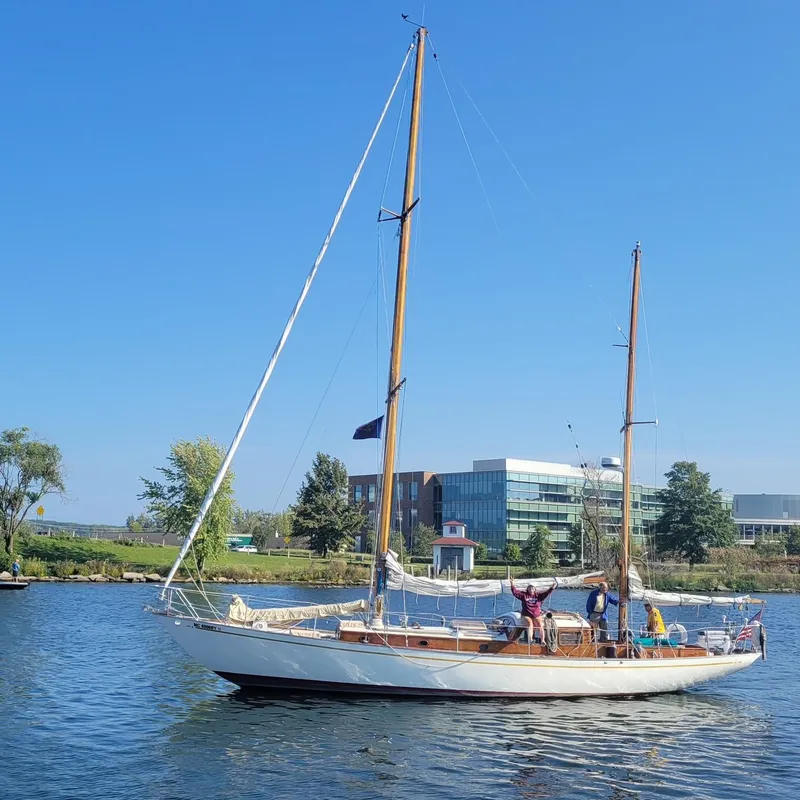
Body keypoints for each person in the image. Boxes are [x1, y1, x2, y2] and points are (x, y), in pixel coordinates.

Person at [510, 578, 556, 645]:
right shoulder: (524, 595)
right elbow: (515, 592)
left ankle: (543, 640)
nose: (531, 590)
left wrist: (552, 588)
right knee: (530, 623)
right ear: (527, 589)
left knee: (540, 624)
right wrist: (512, 584)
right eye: (529, 588)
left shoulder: (538, 596)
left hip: (536, 615)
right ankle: (531, 639)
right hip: (526, 615)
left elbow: (546, 593)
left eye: (532, 588)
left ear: (534, 589)